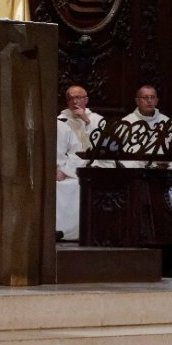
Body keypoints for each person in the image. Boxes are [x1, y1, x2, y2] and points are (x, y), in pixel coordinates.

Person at [55, 85, 105, 240]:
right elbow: (60, 152)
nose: (74, 101)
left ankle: (84, 231)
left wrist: (86, 121)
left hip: (93, 164)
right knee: (60, 187)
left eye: (78, 97)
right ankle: (61, 230)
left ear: (86, 100)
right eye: (70, 98)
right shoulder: (60, 121)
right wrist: (61, 169)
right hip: (68, 167)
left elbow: (98, 146)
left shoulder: (97, 120)